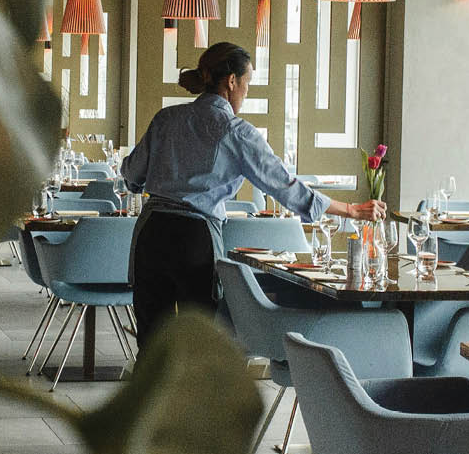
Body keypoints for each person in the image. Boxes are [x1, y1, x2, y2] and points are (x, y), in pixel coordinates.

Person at [122, 41, 385, 348]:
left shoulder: (166, 119)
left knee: (151, 345)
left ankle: (150, 397)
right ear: (231, 82)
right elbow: (284, 186)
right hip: (194, 240)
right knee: (201, 345)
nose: (246, 92)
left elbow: (131, 175)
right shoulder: (236, 131)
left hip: (151, 234)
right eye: (246, 83)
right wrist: (351, 210)